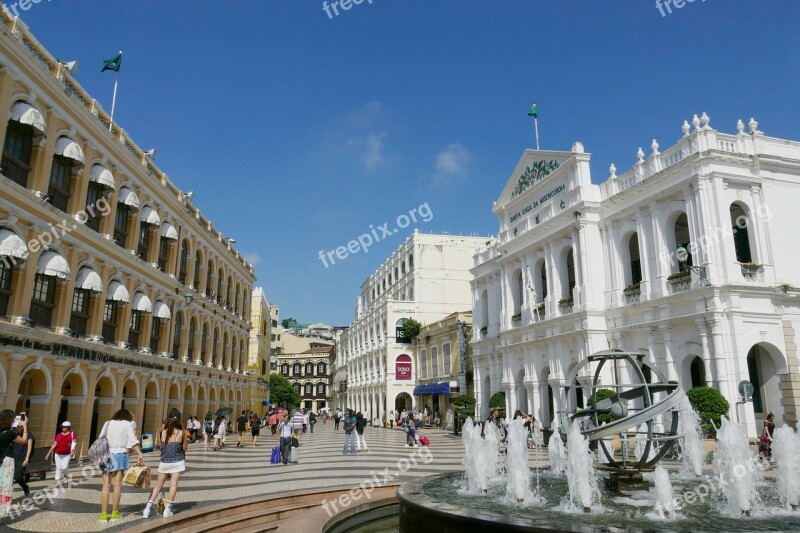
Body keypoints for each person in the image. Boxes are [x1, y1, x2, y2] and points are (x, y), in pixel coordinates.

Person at [99, 408, 144, 521]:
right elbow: (133, 441)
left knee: (106, 485)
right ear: (127, 417)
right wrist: (139, 454)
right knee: (117, 485)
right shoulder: (128, 424)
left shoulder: (108, 423)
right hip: (119, 454)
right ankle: (114, 513)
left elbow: (100, 438)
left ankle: (103, 515)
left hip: (106, 455)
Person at [143, 411, 187, 518]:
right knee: (173, 485)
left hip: (164, 462)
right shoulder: (182, 432)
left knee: (158, 485)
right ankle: (167, 510)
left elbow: (161, 446)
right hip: (177, 461)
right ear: (179, 420)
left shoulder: (162, 432)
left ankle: (147, 509)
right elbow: (184, 449)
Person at [0, 410, 27, 517]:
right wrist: (24, 426)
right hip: (7, 462)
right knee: (5, 486)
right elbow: (24, 441)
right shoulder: (10, 434)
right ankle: (2, 512)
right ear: (9, 421)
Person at [44, 421, 76, 487]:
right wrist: (48, 453)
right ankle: (57, 480)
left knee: (64, 467)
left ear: (68, 427)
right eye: (62, 427)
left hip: (67, 454)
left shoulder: (72, 434)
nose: (62, 428)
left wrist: (73, 451)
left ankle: (65, 475)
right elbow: (54, 444)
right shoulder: (59, 435)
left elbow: (74, 443)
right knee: (58, 467)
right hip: (58, 454)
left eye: (64, 427)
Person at [12, 417, 33, 497]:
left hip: (21, 458)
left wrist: (27, 459)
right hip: (13, 457)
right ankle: (7, 496)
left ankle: (25, 487)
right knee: (10, 478)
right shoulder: (16, 434)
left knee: (18, 477)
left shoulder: (29, 434)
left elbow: (29, 447)